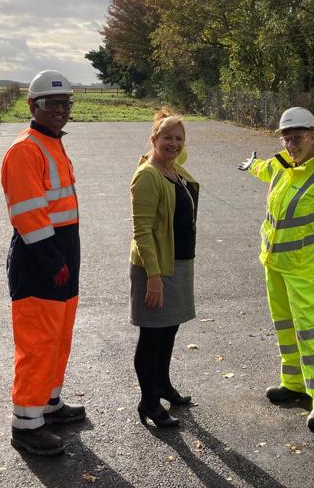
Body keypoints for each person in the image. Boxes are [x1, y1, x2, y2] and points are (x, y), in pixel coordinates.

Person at [238, 107, 314, 431]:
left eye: (297, 136)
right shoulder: (280, 166)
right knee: (285, 328)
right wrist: (251, 166)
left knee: (309, 332)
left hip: (304, 268)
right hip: (274, 262)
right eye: (286, 137)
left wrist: (313, 240)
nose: (291, 143)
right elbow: (264, 168)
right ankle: (294, 383)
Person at [2, 70, 85, 457]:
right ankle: (27, 425)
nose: (60, 111)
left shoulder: (52, 144)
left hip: (62, 255)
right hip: (39, 260)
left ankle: (49, 404)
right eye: (53, 104)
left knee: (59, 336)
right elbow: (29, 215)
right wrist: (53, 260)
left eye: (66, 104)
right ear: (33, 106)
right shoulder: (26, 150)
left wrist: (64, 259)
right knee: (37, 343)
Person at [129, 108, 199, 428]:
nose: (173, 143)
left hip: (178, 262)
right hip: (155, 267)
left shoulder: (175, 170)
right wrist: (153, 277)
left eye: (179, 139)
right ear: (153, 139)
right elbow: (142, 230)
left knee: (169, 329)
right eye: (167, 137)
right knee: (152, 335)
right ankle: (148, 402)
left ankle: (162, 385)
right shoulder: (148, 174)